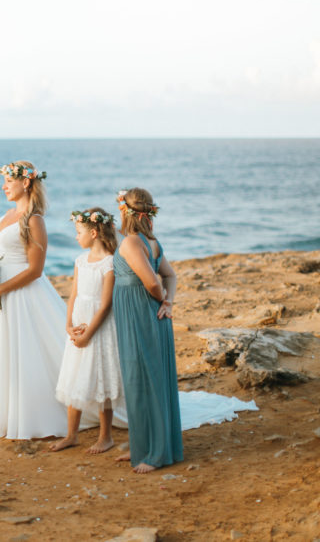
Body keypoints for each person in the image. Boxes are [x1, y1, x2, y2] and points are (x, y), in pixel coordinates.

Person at [0, 161, 66, 440]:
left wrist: (0, 289)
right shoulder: (8, 214)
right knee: (6, 351)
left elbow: (35, 269)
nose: (4, 186)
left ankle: (34, 415)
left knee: (30, 352)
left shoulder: (34, 219)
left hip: (22, 294)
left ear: (26, 182)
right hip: (2, 293)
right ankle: (6, 411)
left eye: (8, 181)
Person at [112, 187, 182, 474]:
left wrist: (162, 299)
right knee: (147, 380)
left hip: (141, 316)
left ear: (125, 211)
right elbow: (171, 275)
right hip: (148, 314)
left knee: (141, 381)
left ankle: (153, 454)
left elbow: (154, 282)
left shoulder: (131, 243)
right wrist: (168, 302)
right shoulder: (151, 241)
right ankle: (143, 445)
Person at [50, 208, 127, 453]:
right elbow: (73, 294)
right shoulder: (80, 261)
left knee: (102, 376)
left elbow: (105, 305)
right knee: (75, 376)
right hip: (79, 326)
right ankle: (71, 434)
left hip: (99, 329)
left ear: (93, 233)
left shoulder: (110, 263)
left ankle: (106, 436)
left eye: (79, 232)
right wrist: (69, 326)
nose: (76, 237)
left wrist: (89, 334)